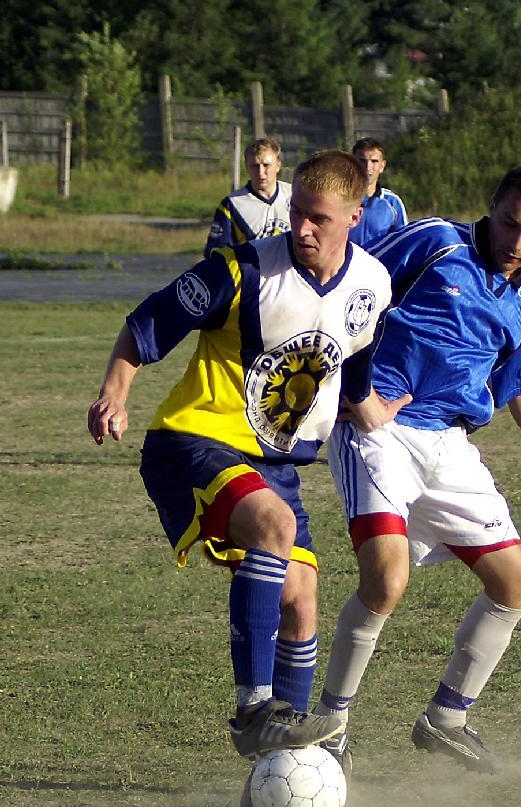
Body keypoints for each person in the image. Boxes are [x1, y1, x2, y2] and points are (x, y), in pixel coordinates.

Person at [87, 150, 410, 760]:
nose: (303, 229)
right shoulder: (240, 272)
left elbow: (354, 373)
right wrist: (114, 392)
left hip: (276, 465)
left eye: (319, 218)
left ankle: (281, 769)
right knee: (275, 526)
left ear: (355, 217)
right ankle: (254, 709)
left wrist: (377, 412)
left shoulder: (371, 287)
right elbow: (145, 324)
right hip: (194, 439)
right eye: (298, 215)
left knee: (302, 599)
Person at [315, 165, 521, 775]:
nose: (518, 241)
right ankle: (331, 726)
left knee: (517, 584)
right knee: (386, 580)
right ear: (492, 205)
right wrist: (352, 394)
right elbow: (353, 287)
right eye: (511, 222)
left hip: (450, 444)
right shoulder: (436, 242)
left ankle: (447, 718)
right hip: (379, 430)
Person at [203, 137, 291, 257]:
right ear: (247, 166)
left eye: (266, 165)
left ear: (278, 166)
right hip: (254, 273)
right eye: (255, 166)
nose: (261, 172)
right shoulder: (232, 204)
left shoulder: (296, 195)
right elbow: (217, 252)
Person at [348, 138, 408, 249]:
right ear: (352, 163)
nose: (367, 167)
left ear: (382, 166)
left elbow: (402, 243)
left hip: (379, 264)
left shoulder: (392, 203)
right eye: (362, 161)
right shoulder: (340, 198)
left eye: (374, 161)